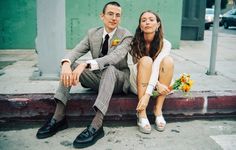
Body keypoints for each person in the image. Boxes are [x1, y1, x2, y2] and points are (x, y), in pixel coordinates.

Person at [36, 1, 132, 148]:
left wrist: (85, 64)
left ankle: (97, 124)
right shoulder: (93, 33)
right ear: (102, 16)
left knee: (109, 69)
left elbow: (113, 58)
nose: (114, 18)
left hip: (118, 80)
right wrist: (66, 64)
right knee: (71, 66)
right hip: (97, 79)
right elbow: (76, 50)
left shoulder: (126, 35)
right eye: (110, 14)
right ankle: (59, 117)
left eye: (118, 15)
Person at [129, 10, 174, 134]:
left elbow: (157, 67)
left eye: (151, 19)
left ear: (158, 24)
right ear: (140, 26)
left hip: (155, 85)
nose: (147, 22)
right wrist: (154, 86)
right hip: (137, 83)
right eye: (143, 20)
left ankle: (158, 109)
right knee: (146, 60)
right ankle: (141, 113)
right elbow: (131, 69)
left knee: (168, 61)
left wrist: (149, 94)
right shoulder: (133, 43)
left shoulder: (165, 44)